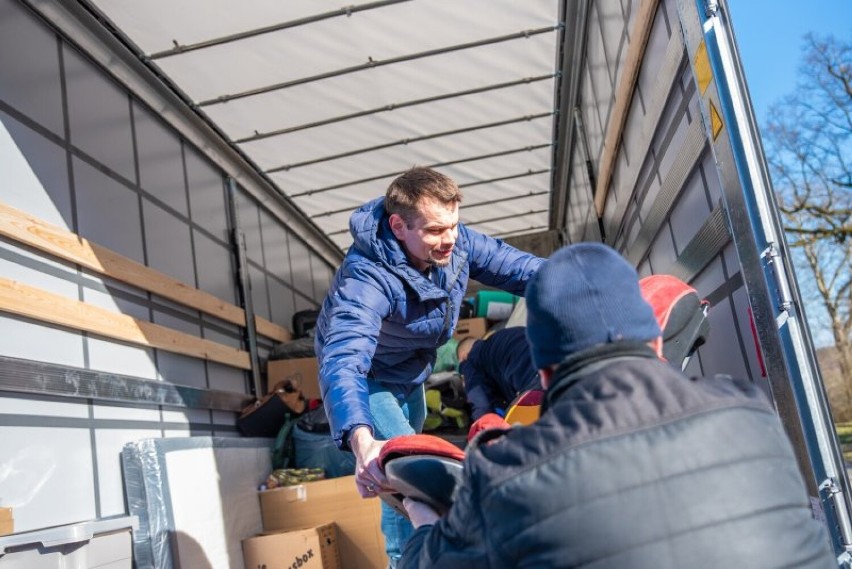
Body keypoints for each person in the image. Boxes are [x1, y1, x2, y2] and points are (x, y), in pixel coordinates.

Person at [399, 243, 835, 568]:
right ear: (657, 339)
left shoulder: (507, 475)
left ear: (545, 373)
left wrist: (421, 517)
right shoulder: (752, 414)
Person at [313, 166, 543, 566]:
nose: (450, 238)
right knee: (418, 471)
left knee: (398, 479)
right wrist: (360, 438)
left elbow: (520, 269)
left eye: (454, 224)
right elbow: (344, 359)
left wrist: (591, 282)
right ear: (399, 225)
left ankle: (401, 557)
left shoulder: (457, 242)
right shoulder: (366, 278)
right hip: (369, 380)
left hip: (412, 372)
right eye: (437, 230)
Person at [456, 327, 540, 420]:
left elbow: (482, 405)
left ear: (464, 355)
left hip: (534, 379)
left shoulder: (471, 360)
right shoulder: (503, 337)